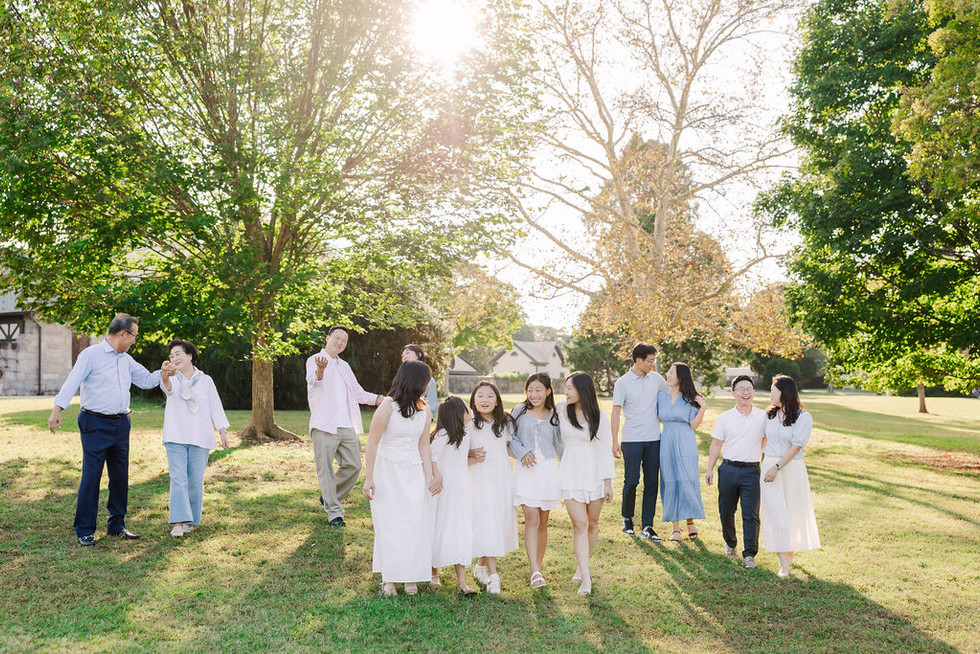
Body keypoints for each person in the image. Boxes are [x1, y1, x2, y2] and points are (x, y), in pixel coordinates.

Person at [48, 313, 171, 546]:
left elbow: (145, 380)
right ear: (123, 334)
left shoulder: (126, 359)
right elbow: (72, 382)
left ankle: (116, 525)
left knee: (119, 476)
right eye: (134, 336)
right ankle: (84, 529)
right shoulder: (91, 355)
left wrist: (163, 372)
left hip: (121, 424)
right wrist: (57, 409)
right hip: (94, 423)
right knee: (91, 476)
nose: (135, 340)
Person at [362, 361, 441, 596]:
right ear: (415, 381)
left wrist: (429, 474)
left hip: (413, 469)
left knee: (415, 521)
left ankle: (410, 576)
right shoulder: (387, 406)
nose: (429, 385)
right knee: (390, 523)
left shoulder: (424, 408)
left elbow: (424, 443)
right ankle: (390, 578)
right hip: (387, 470)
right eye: (426, 380)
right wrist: (369, 478)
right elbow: (373, 443)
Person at [305, 326, 383, 527]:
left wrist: (378, 399)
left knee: (354, 464)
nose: (340, 343)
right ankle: (334, 513)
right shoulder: (314, 360)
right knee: (325, 471)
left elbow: (358, 393)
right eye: (337, 338)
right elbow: (314, 382)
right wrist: (321, 370)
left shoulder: (345, 366)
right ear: (328, 338)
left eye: (344, 341)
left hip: (346, 425)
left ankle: (329, 496)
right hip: (324, 425)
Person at [160, 339, 230, 538]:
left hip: (200, 436)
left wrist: (222, 431)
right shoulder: (172, 377)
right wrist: (166, 375)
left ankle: (190, 520)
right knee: (178, 478)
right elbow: (167, 389)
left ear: (190, 355)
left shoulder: (205, 380)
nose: (174, 358)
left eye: (177, 354)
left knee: (195, 479)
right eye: (171, 356)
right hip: (176, 435)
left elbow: (215, 406)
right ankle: (178, 522)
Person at [558, 372, 615, 597]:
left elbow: (603, 452)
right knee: (579, 524)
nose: (566, 391)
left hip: (594, 474)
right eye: (565, 387)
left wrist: (608, 482)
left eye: (570, 388)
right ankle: (586, 574)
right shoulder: (561, 410)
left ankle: (581, 566)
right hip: (571, 473)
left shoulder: (599, 416)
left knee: (592, 523)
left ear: (583, 390)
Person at [760, 375, 821, 577]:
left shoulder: (803, 417)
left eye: (773, 390)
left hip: (790, 468)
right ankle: (783, 564)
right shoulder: (768, 415)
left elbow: (796, 447)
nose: (770, 394)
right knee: (775, 513)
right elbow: (762, 440)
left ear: (784, 392)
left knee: (791, 514)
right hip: (769, 467)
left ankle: (789, 551)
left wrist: (777, 467)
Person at [705, 375, 766, 568]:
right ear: (733, 393)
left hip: (752, 471)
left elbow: (766, 439)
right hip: (728, 469)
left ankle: (749, 554)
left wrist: (756, 452)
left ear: (753, 392)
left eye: (749, 389)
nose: (746, 393)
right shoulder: (725, 418)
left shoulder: (763, 416)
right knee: (726, 510)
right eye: (741, 389)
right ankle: (730, 544)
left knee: (751, 514)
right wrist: (710, 469)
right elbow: (716, 444)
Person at [509, 373, 563, 589]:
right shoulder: (519, 411)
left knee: (542, 520)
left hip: (548, 471)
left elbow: (560, 445)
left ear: (548, 391)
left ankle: (538, 567)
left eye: (539, 390)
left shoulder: (554, 415)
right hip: (525, 470)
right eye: (530, 390)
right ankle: (534, 569)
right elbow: (510, 437)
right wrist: (522, 453)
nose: (534, 394)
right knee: (531, 517)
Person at [611, 343, 668, 541]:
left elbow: (672, 391)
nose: (653, 364)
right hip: (631, 440)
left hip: (654, 439)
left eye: (654, 361)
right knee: (632, 481)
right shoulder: (623, 383)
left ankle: (647, 525)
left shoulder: (656, 379)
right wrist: (614, 441)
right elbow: (616, 412)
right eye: (650, 361)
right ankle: (627, 519)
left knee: (652, 482)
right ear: (638, 360)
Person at [468, 380, 518, 595]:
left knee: (494, 525)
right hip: (477, 481)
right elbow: (455, 450)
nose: (485, 400)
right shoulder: (468, 422)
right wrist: (471, 454)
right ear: (473, 400)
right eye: (480, 396)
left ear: (497, 401)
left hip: (500, 480)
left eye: (490, 396)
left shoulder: (506, 423)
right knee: (486, 523)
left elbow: (510, 448)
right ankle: (494, 577)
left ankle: (480, 567)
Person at [429, 396, 477, 595]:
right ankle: (434, 574)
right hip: (442, 491)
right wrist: (437, 475)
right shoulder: (442, 435)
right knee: (438, 528)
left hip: (460, 491)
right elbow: (432, 458)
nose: (470, 411)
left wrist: (474, 456)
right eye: (466, 408)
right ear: (457, 414)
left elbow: (458, 461)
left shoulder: (464, 434)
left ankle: (462, 581)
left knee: (460, 531)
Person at [658, 362, 707, 542]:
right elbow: (656, 417)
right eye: (668, 371)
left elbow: (694, 424)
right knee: (670, 481)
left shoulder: (690, 398)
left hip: (685, 441)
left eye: (672, 372)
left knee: (686, 479)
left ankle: (690, 522)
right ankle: (675, 528)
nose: (668, 375)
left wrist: (703, 408)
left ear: (681, 377)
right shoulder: (661, 396)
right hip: (667, 441)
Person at [401, 344, 438, 420]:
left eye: (407, 353)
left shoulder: (429, 380)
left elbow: (432, 407)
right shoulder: (401, 379)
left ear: (419, 355)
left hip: (419, 421)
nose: (404, 357)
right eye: (402, 356)